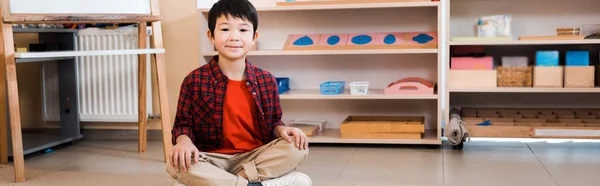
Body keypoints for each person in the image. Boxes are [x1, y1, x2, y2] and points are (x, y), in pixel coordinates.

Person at [166, 0, 312, 185]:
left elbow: (273, 123)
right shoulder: (194, 80)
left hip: (254, 157)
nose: (234, 37)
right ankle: (253, 183)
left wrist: (283, 130)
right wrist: (183, 143)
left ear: (254, 37)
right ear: (211, 36)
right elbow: (183, 126)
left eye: (243, 30)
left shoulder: (266, 80)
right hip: (213, 159)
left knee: (297, 147)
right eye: (225, 29)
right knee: (174, 163)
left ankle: (227, 182)